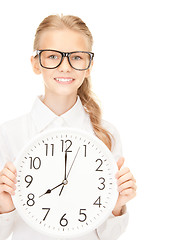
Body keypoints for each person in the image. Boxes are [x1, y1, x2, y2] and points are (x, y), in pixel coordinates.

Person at [0, 14, 137, 240]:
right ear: (36, 64)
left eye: (76, 57)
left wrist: (117, 204)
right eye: (53, 56)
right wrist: (4, 205)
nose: (65, 67)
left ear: (89, 64)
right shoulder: (8, 134)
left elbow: (108, 236)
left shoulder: (106, 134)